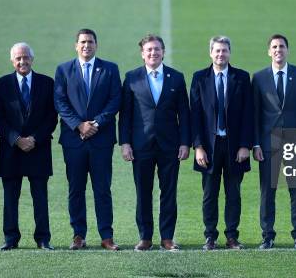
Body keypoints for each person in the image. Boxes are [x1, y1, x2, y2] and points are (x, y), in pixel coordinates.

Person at [118, 34, 190, 251]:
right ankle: (145, 237)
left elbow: (184, 114)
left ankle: (167, 237)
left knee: (169, 193)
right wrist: (125, 143)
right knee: (143, 192)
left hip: (170, 145)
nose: (153, 53)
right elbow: (125, 115)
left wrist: (185, 142)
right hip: (141, 146)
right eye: (149, 50)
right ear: (142, 54)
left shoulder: (176, 78)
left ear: (163, 52)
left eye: (157, 49)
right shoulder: (132, 78)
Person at [54, 28, 122, 251]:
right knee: (76, 189)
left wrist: (96, 123)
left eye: (90, 42)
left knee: (102, 189)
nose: (86, 46)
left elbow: (115, 100)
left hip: (101, 140)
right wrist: (78, 125)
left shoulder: (110, 69)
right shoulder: (64, 70)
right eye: (82, 42)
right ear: (76, 45)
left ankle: (106, 236)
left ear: (96, 45)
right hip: (74, 141)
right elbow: (60, 102)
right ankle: (78, 235)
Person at [190, 36, 253, 250]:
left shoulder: (242, 78)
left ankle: (232, 236)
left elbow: (248, 114)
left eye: (224, 51)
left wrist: (245, 145)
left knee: (233, 193)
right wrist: (198, 146)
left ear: (229, 53)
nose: (220, 54)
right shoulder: (199, 78)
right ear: (210, 53)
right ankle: (210, 236)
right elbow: (195, 116)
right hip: (208, 146)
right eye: (217, 51)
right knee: (209, 194)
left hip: (235, 146)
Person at [0, 42, 57, 251]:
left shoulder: (47, 83)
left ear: (32, 59)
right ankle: (11, 238)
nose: (22, 61)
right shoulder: (1, 84)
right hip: (11, 150)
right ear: (12, 61)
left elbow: (51, 117)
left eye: (26, 57)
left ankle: (43, 238)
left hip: (38, 149)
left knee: (40, 196)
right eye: (18, 58)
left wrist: (34, 139)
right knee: (10, 198)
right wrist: (17, 139)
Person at [252, 34, 296, 249]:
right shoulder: (258, 78)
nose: (278, 50)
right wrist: (256, 144)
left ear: (287, 50)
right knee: (268, 191)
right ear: (269, 51)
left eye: (282, 46)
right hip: (268, 143)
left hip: (295, 143)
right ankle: (267, 236)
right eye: (274, 47)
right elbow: (255, 114)